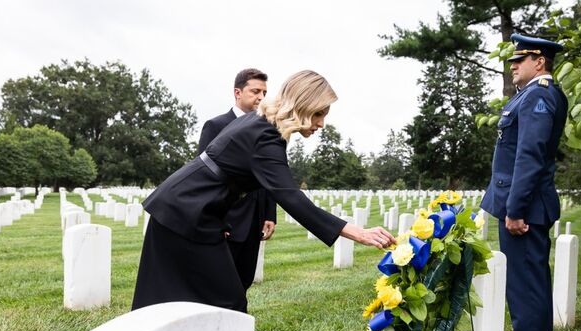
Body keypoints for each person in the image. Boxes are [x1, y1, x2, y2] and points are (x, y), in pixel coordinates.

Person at [132, 70, 396, 313]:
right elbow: (289, 196)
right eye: (319, 114)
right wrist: (356, 232)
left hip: (191, 209)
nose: (322, 123)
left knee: (193, 299)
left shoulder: (260, 123)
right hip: (186, 212)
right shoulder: (266, 134)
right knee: (218, 300)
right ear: (302, 105)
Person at [480, 34, 568, 331]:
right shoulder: (532, 95)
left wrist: (515, 210)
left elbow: (529, 156)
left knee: (526, 283)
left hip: (525, 207)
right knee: (527, 279)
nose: (513, 65)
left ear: (540, 62)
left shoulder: (538, 96)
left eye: (520, 59)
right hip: (525, 203)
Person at [198, 68, 276, 295]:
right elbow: (206, 177)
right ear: (238, 92)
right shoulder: (215, 125)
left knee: (244, 280)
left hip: (255, 220)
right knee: (220, 284)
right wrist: (216, 220)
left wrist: (269, 213)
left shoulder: (267, 128)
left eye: (264, 93)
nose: (261, 97)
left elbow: (270, 173)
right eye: (255, 91)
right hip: (228, 220)